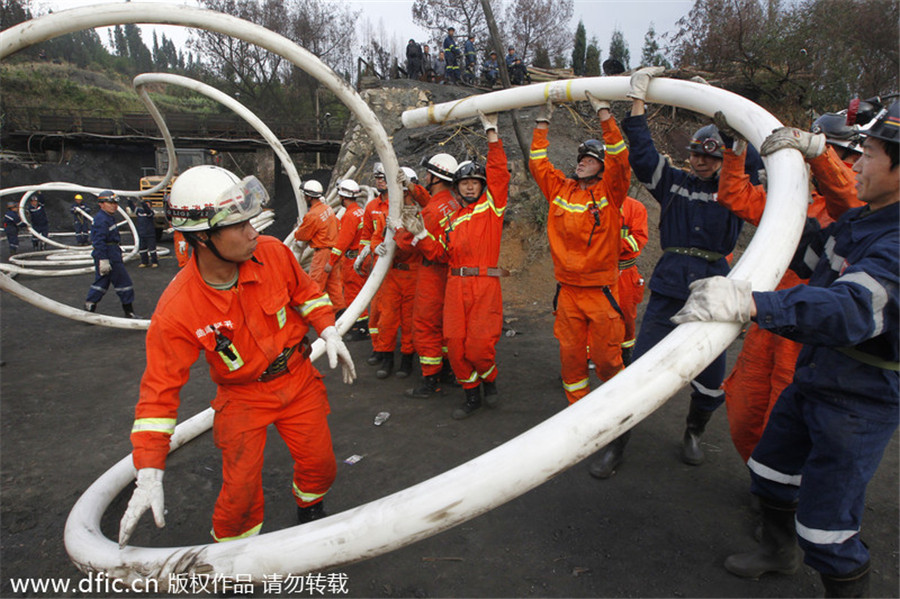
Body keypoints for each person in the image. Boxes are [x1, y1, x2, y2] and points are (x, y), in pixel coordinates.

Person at [670, 101, 899, 599]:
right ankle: (777, 550)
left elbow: (851, 309)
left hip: (860, 393)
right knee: (771, 470)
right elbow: (814, 257)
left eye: (870, 155)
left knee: (827, 528)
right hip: (817, 372)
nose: (856, 164)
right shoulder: (865, 222)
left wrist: (751, 303)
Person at [118, 165, 357, 547]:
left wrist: (327, 327)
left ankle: (310, 508)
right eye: (239, 225)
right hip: (243, 396)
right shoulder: (179, 308)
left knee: (320, 464)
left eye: (251, 221)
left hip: (297, 380)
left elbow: (307, 292)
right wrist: (148, 468)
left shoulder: (273, 254)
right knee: (240, 491)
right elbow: (158, 392)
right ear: (201, 237)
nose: (253, 232)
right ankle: (230, 560)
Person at [592, 66, 755, 478]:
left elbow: (751, 152)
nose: (700, 161)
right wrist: (637, 105)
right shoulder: (674, 182)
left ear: (723, 159)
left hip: (715, 287)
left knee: (712, 374)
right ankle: (618, 442)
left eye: (710, 156)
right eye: (697, 154)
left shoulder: (736, 188)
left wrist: (719, 102)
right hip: (669, 285)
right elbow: (643, 155)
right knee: (642, 367)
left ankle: (694, 432)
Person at [715, 111, 863, 463]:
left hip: (809, 333)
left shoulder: (860, 210)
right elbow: (734, 194)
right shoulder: (793, 202)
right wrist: (734, 146)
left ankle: (779, 496)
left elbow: (849, 197)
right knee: (744, 410)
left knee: (786, 421)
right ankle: (763, 481)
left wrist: (818, 152)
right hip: (769, 320)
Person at [401, 112, 509, 420]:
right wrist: (420, 234)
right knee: (455, 345)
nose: (471, 188)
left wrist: (492, 134)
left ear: (481, 186)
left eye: (475, 183)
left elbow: (500, 174)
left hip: (484, 285)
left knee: (478, 348)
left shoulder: (492, 209)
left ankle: (489, 380)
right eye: (465, 183)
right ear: (457, 187)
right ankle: (471, 394)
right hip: (455, 286)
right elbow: (438, 254)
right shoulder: (453, 221)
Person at [528, 93, 631, 406]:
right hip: (569, 293)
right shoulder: (561, 190)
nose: (581, 161)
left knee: (607, 361)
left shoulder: (609, 193)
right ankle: (578, 416)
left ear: (602, 167)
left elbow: (621, 160)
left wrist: (604, 113)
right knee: (571, 360)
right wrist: (542, 123)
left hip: (601, 292)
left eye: (590, 159)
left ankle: (618, 416)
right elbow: (538, 163)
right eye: (581, 158)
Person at [397, 152, 460, 398]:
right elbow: (430, 202)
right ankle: (446, 370)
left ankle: (430, 378)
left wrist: (396, 229)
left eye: (427, 175)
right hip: (450, 274)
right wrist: (411, 187)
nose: (425, 178)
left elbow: (405, 243)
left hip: (432, 273)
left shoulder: (431, 212)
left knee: (425, 325)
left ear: (434, 178)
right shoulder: (452, 203)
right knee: (444, 325)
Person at [365, 166, 422, 379]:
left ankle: (407, 360)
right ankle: (386, 358)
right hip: (391, 274)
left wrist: (398, 231)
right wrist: (375, 247)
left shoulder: (418, 214)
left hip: (412, 274)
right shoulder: (384, 212)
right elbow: (375, 235)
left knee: (409, 321)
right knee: (386, 318)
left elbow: (413, 244)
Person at [355, 163, 391, 370]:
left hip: (396, 269)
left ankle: (392, 352)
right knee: (376, 310)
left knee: (390, 313)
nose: (379, 180)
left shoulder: (398, 206)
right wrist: (364, 258)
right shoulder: (371, 207)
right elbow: (366, 237)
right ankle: (378, 349)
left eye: (383, 177)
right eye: (377, 177)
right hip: (377, 267)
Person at [84, 190, 139, 319]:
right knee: (124, 282)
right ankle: (129, 312)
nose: (114, 205)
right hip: (108, 254)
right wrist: (103, 259)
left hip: (111, 252)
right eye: (110, 203)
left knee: (102, 282)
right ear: (101, 204)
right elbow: (98, 241)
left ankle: (89, 307)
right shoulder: (102, 220)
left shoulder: (107, 217)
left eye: (115, 203)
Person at [294, 180, 344, 314]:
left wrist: (297, 229)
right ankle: (340, 314)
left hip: (322, 253)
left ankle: (314, 315)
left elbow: (302, 235)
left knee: (315, 285)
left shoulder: (312, 215)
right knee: (334, 286)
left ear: (309, 197)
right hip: (333, 252)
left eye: (305, 195)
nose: (304, 198)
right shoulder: (327, 209)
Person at [328, 179, 369, 341]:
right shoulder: (360, 212)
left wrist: (331, 262)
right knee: (359, 293)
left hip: (352, 261)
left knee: (353, 294)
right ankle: (361, 326)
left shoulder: (350, 216)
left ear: (343, 197)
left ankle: (360, 328)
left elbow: (342, 243)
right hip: (359, 258)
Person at [617, 196, 648, 366]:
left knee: (626, 314)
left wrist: (608, 245)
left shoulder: (635, 208)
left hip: (625, 273)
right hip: (596, 270)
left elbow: (638, 239)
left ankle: (626, 353)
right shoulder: (590, 204)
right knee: (592, 315)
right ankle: (588, 356)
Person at [130, 198, 159, 267]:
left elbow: (147, 210)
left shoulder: (150, 213)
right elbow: (133, 208)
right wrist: (129, 200)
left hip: (150, 234)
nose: (146, 205)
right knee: (142, 249)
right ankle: (144, 262)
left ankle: (154, 262)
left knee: (152, 249)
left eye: (148, 204)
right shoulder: (139, 212)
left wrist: (142, 202)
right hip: (141, 234)